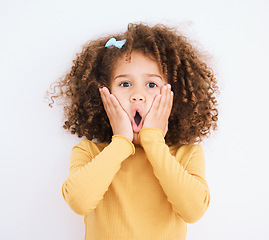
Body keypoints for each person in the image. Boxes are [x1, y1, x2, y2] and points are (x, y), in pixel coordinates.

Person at [48, 23, 218, 240]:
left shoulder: (186, 154)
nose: (138, 96)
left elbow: (193, 211)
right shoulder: (90, 152)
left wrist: (153, 140)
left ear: (173, 95)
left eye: (152, 84)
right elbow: (78, 202)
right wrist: (121, 142)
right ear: (104, 94)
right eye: (125, 84)